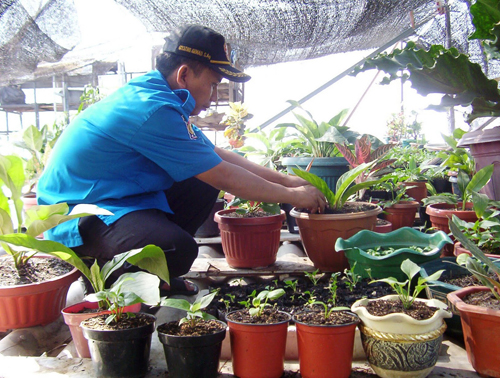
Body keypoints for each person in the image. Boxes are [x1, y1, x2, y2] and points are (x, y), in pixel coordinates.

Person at [37, 24, 326, 296]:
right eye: (213, 85)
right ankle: (103, 278)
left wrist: (287, 181)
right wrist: (292, 195)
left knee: (200, 182)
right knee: (177, 249)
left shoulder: (160, 97)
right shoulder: (152, 109)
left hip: (117, 201)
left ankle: (155, 275)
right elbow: (223, 175)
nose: (212, 98)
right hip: (79, 216)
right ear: (185, 74)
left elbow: (214, 155)